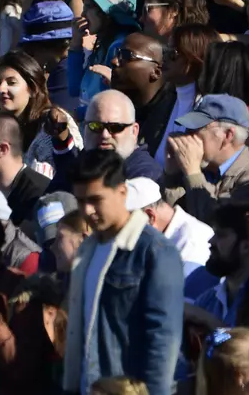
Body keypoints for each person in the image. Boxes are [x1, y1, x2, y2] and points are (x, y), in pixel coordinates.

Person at [63, 148, 184, 394]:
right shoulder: (88, 249)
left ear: (122, 192)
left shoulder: (155, 252)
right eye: (80, 201)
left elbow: (162, 341)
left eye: (95, 200)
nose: (87, 211)